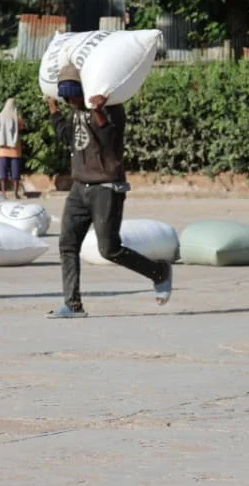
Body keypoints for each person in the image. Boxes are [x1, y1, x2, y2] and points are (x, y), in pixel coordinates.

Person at [46, 64, 171, 318]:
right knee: (67, 244)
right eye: (66, 97)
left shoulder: (110, 106)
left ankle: (159, 272)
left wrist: (99, 112)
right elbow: (70, 138)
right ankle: (73, 305)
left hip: (106, 187)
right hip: (79, 187)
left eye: (73, 96)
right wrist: (54, 112)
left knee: (109, 249)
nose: (71, 101)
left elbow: (109, 139)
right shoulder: (75, 110)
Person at [0, 97, 26, 199]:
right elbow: (22, 128)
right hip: (15, 150)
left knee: (3, 174)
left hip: (2, 150)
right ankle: (15, 194)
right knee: (15, 174)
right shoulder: (17, 117)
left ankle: (4, 194)